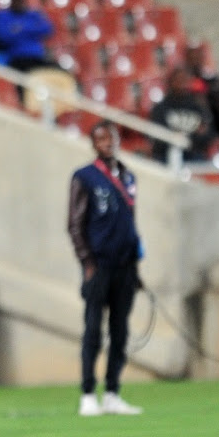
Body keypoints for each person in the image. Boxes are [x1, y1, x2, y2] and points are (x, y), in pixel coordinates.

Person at [67, 121, 144, 417]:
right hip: (98, 264)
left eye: (111, 137)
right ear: (93, 143)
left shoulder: (128, 176)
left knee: (120, 330)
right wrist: (86, 261)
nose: (107, 142)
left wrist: (136, 264)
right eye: (100, 138)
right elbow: (74, 224)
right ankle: (88, 393)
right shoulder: (84, 177)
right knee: (92, 330)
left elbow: (130, 220)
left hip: (125, 265)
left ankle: (112, 392)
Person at [149, 66, 215, 164]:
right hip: (165, 157)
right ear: (171, 82)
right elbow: (159, 136)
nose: (182, 83)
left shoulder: (199, 107)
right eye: (178, 79)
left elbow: (208, 135)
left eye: (185, 79)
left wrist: (182, 136)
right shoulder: (160, 108)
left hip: (193, 155)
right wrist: (192, 135)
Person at [0, 0, 56, 74]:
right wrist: (33, 29)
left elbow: (48, 29)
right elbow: (2, 36)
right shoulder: (1, 15)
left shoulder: (34, 14)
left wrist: (19, 28)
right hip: (17, 60)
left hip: (38, 58)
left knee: (62, 74)